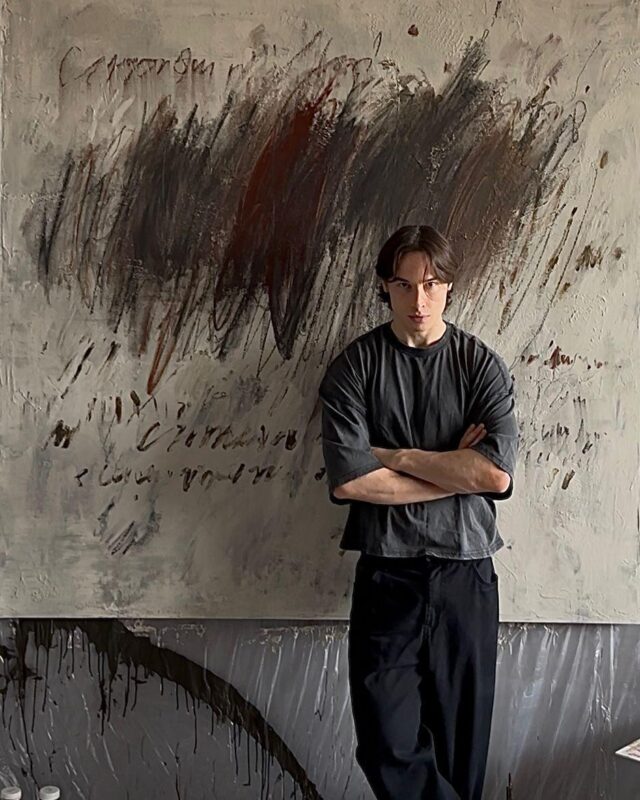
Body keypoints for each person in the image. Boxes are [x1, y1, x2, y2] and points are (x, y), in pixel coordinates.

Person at [318, 225, 519, 800]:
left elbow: (495, 477)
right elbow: (352, 481)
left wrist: (395, 456)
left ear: (449, 286)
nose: (419, 300)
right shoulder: (355, 367)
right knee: (385, 741)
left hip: (466, 575)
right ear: (386, 287)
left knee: (462, 750)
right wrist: (452, 468)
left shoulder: (480, 365)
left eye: (431, 284)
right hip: (387, 575)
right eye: (404, 285)